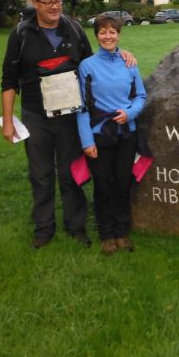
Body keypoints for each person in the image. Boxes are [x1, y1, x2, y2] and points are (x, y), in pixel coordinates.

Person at [0, 0, 94, 249]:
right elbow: (9, 81)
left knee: (71, 172)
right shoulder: (20, 34)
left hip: (70, 116)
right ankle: (43, 229)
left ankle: (76, 226)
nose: (55, 7)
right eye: (48, 2)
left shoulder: (75, 30)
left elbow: (91, 70)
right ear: (34, 2)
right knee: (40, 174)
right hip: (36, 116)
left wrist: (122, 55)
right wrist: (8, 121)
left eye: (58, 1)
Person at [77, 14, 146, 255]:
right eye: (103, 32)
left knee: (123, 182)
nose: (108, 36)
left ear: (119, 34)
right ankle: (106, 233)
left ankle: (122, 231)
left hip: (126, 132)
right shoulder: (87, 66)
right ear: (96, 36)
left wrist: (130, 114)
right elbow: (82, 107)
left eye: (112, 32)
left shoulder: (130, 63)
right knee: (103, 185)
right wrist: (87, 141)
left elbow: (141, 97)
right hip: (99, 135)